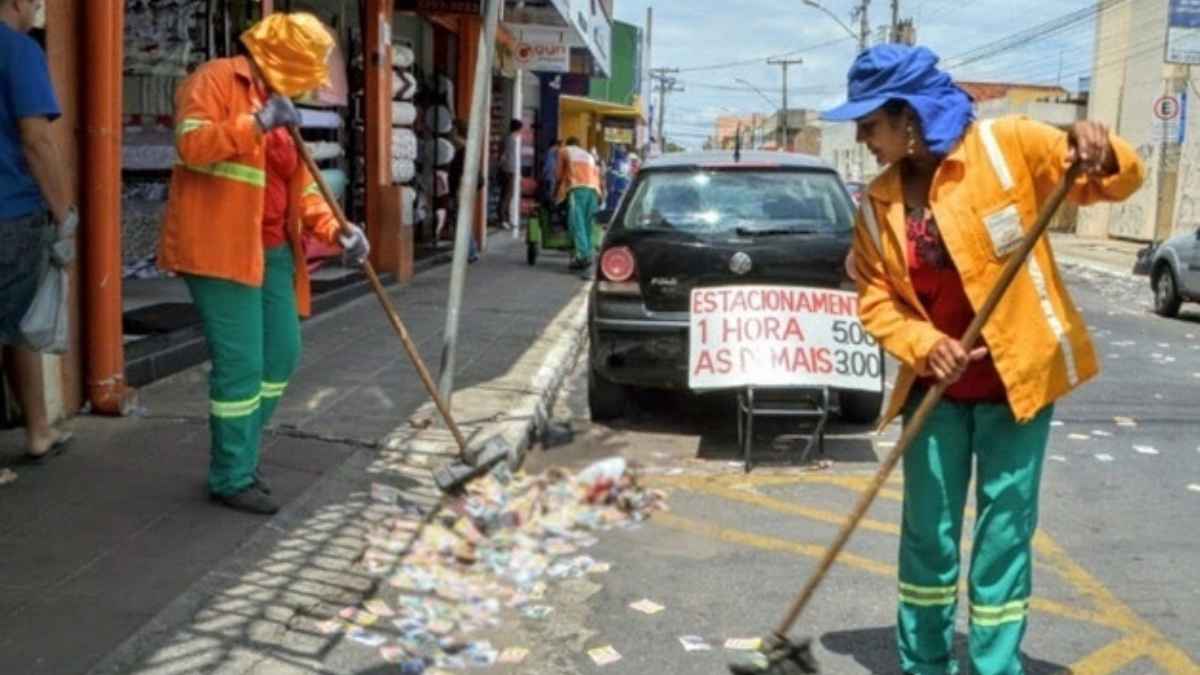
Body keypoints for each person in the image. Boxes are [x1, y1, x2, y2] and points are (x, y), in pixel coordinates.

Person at [826, 44, 1144, 675]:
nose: (862, 138)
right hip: (934, 391)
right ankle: (925, 662)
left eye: (870, 124)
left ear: (909, 116)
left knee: (1004, 536)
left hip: (1015, 385)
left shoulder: (1009, 147)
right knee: (927, 537)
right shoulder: (876, 204)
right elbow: (877, 301)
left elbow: (1111, 181)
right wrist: (925, 345)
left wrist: (1099, 147)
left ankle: (996, 665)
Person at [158, 12, 369, 515]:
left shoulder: (281, 106)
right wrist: (255, 123)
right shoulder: (215, 80)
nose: (312, 79)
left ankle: (243, 455)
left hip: (274, 251)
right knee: (241, 366)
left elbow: (302, 187)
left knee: (281, 355)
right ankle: (232, 474)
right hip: (220, 248)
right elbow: (192, 146)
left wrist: (338, 229)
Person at [0, 0, 75, 464]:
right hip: (10, 213)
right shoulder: (19, 50)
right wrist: (62, 210)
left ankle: (40, 428)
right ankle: (39, 429)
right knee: (17, 322)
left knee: (18, 323)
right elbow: (37, 138)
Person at [555, 136, 603, 277]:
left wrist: (556, 190)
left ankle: (581, 257)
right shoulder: (588, 155)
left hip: (577, 188)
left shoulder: (564, 151)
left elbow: (557, 175)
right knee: (589, 223)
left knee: (578, 222)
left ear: (567, 144)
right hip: (594, 191)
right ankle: (588, 254)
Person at [498, 118, 523, 230]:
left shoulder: (510, 139)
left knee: (509, 195)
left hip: (508, 169)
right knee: (506, 195)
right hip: (507, 170)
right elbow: (504, 155)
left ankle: (506, 219)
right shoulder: (510, 140)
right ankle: (502, 219)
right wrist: (499, 167)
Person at [541, 137, 560, 209]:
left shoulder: (548, 154)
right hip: (551, 177)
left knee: (548, 194)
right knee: (550, 195)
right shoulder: (551, 154)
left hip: (547, 177)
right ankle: (549, 208)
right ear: (554, 146)